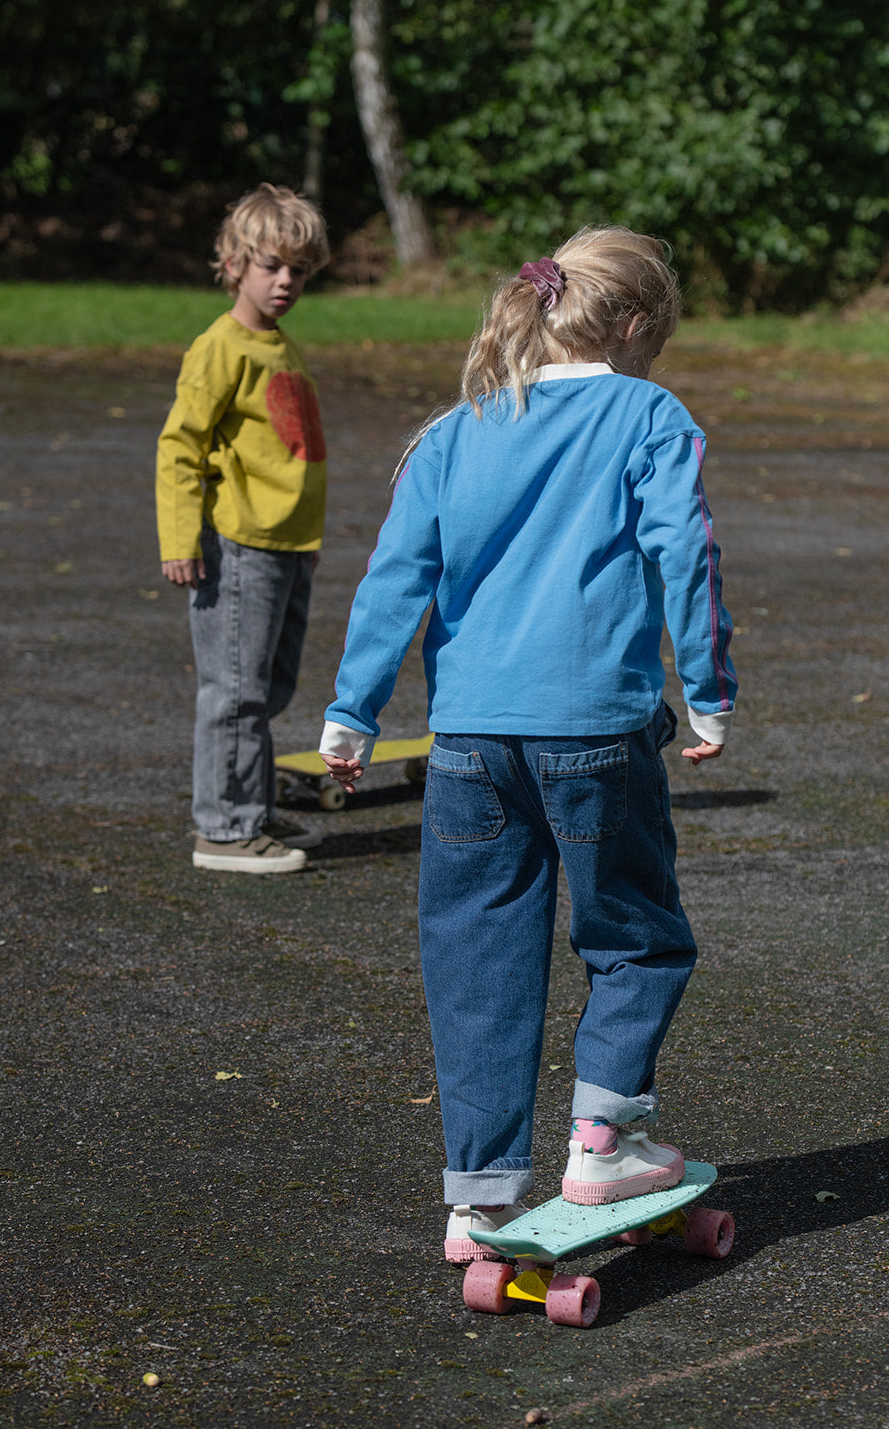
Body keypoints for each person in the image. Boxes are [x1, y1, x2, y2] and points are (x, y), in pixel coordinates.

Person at [318, 226, 737, 1258]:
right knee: (635, 935)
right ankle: (602, 1137)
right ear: (636, 325)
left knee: (474, 953)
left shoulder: (456, 428)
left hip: (464, 737)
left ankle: (480, 1191)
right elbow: (683, 551)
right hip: (593, 727)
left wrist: (350, 712)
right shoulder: (648, 413)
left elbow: (392, 577)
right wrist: (708, 690)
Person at [156, 183, 330, 874]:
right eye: (269, 265)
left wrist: (307, 545)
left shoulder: (281, 347)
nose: (285, 280)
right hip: (235, 546)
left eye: (298, 270)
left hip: (286, 546)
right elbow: (179, 447)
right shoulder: (220, 348)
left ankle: (250, 806)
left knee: (269, 686)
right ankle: (224, 830)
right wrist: (179, 541)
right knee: (234, 690)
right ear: (232, 263)